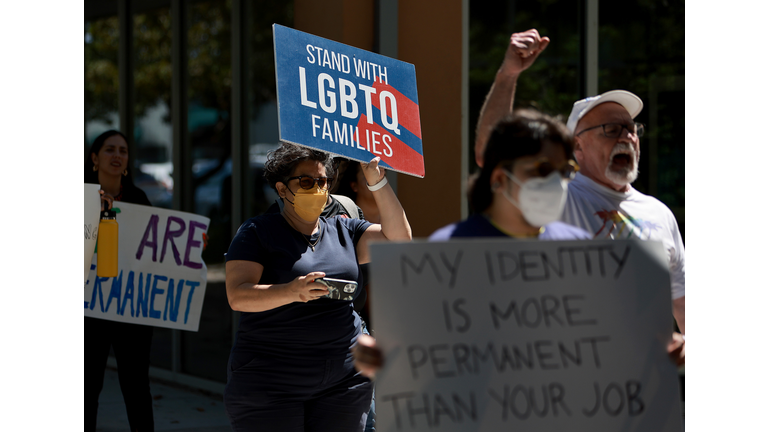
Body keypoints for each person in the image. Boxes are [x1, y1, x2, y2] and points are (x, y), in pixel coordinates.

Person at [472, 29, 685, 364]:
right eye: (611, 130)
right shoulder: (558, 198)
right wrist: (509, 75)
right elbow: (492, 156)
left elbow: (682, 305)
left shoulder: (660, 214)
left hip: (643, 395)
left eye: (632, 128)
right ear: (578, 146)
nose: (627, 137)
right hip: (569, 388)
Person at [223, 143, 411, 431]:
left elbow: (399, 240)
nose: (317, 189)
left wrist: (377, 181)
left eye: (322, 181)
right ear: (282, 189)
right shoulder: (257, 232)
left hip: (343, 382)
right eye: (307, 181)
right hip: (272, 383)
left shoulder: (344, 229)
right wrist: (291, 292)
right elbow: (238, 296)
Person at [84, 130, 155, 432]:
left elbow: (154, 251)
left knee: (137, 386)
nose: (117, 155)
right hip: (88, 309)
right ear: (94, 159)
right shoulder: (76, 199)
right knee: (85, 388)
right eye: (110, 149)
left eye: (123, 151)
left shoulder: (139, 199)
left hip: (129, 307)